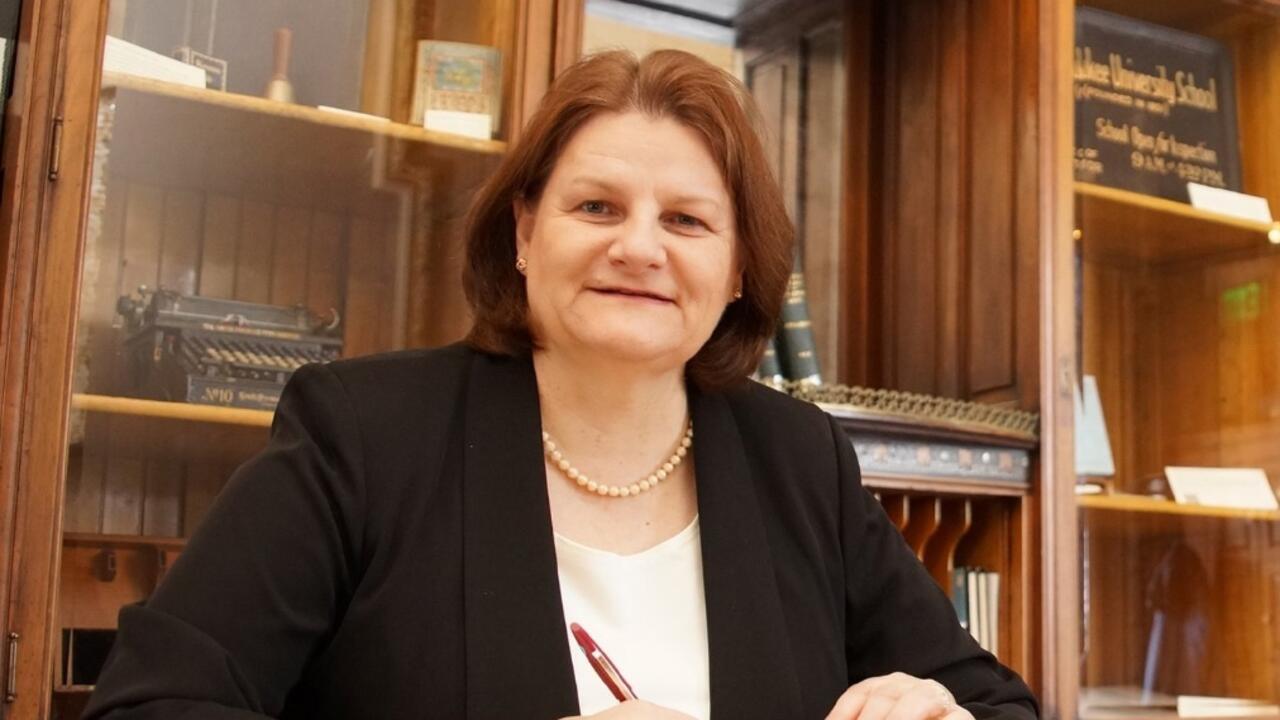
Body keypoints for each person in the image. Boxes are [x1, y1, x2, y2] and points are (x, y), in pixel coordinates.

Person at [83, 49, 1039, 720]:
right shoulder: (364, 436)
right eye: (597, 206)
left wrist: (937, 713)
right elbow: (152, 704)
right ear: (525, 232)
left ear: (738, 271)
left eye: (687, 221)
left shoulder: (800, 460)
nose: (639, 247)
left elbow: (998, 705)